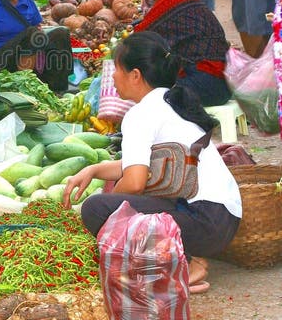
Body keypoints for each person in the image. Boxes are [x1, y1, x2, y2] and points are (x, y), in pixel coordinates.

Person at [63, 31, 242, 293]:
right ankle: (188, 257)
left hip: (202, 221)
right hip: (222, 220)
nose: (112, 76)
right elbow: (141, 165)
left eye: (117, 69)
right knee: (122, 196)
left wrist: (111, 205)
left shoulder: (140, 114)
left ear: (135, 75)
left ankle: (180, 265)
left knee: (96, 208)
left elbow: (135, 182)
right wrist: (95, 170)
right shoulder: (171, 101)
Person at [134, 0, 231, 105]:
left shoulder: (167, 4)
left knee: (148, 88)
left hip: (202, 85)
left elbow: (135, 42)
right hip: (224, 84)